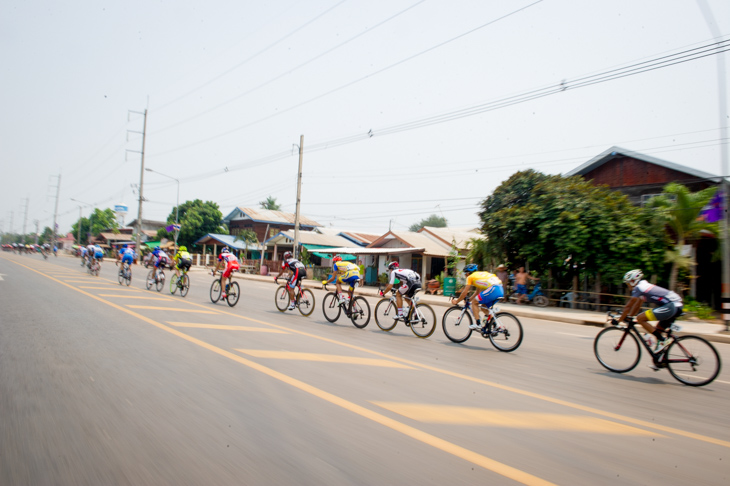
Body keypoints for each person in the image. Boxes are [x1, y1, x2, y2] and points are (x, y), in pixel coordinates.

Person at [617, 269, 684, 369]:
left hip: (671, 306)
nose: (628, 286)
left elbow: (628, 306)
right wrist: (630, 317)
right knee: (658, 330)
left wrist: (619, 320)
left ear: (633, 281)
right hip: (677, 306)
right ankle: (660, 361)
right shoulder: (644, 287)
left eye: (628, 283)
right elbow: (637, 306)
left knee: (640, 319)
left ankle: (662, 340)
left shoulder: (639, 287)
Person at [451, 263, 505, 329]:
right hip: (500, 289)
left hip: (494, 288)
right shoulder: (478, 276)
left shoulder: (470, 277)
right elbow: (477, 292)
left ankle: (478, 324)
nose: (465, 275)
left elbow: (465, 292)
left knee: (474, 302)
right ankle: (495, 324)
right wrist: (469, 300)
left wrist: (457, 301)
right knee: (483, 307)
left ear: (468, 273)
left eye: (465, 274)